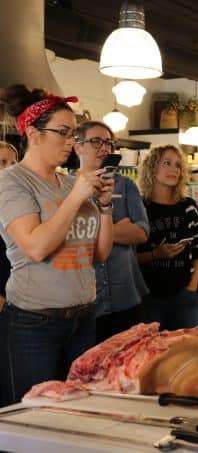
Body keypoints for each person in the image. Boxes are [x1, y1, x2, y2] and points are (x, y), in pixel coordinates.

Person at [0, 84, 113, 405]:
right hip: (35, 324)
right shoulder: (12, 181)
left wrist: (105, 207)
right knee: (36, 421)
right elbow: (35, 247)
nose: (71, 142)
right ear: (34, 133)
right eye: (63, 132)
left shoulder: (68, 182)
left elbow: (101, 254)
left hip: (83, 319)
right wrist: (77, 197)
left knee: (79, 414)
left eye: (74, 134)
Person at [74, 121, 149, 342]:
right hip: (87, 302)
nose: (104, 148)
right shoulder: (65, 187)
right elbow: (70, 240)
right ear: (77, 146)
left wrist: (95, 232)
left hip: (126, 295)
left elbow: (141, 233)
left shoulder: (125, 185)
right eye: (95, 141)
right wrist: (118, 228)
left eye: (108, 143)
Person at [136, 145, 198, 331]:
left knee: (196, 349)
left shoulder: (188, 207)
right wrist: (156, 254)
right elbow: (130, 257)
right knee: (155, 354)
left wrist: (192, 287)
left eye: (177, 165)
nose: (174, 169)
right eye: (166, 163)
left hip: (185, 293)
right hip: (149, 297)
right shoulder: (140, 207)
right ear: (152, 167)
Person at [0, 141, 19, 309]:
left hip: (18, 296)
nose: (9, 168)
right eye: (2, 162)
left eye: (13, 163)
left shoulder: (19, 203)